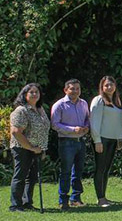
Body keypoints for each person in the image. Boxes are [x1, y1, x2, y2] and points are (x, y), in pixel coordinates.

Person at [9, 83, 49, 211]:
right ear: (25, 94)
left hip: (37, 148)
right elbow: (16, 132)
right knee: (20, 176)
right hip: (22, 148)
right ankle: (15, 205)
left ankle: (27, 202)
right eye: (31, 92)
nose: (34, 94)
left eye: (37, 92)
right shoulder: (21, 110)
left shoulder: (40, 109)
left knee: (32, 177)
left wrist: (41, 148)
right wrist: (31, 147)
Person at [50, 79, 90, 209]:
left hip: (80, 141)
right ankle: (63, 200)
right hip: (66, 142)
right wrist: (73, 130)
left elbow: (87, 119)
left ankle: (76, 198)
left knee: (78, 171)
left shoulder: (83, 103)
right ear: (65, 90)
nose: (75, 91)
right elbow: (54, 124)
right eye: (72, 89)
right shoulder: (59, 105)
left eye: (77, 89)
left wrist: (86, 127)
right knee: (66, 171)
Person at [90, 75, 122, 208]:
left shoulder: (116, 101)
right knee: (100, 169)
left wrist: (120, 138)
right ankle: (100, 199)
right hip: (102, 139)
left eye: (111, 85)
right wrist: (97, 140)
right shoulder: (99, 100)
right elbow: (94, 121)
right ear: (102, 87)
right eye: (106, 85)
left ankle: (104, 196)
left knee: (106, 169)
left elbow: (119, 122)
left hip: (113, 140)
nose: (109, 87)